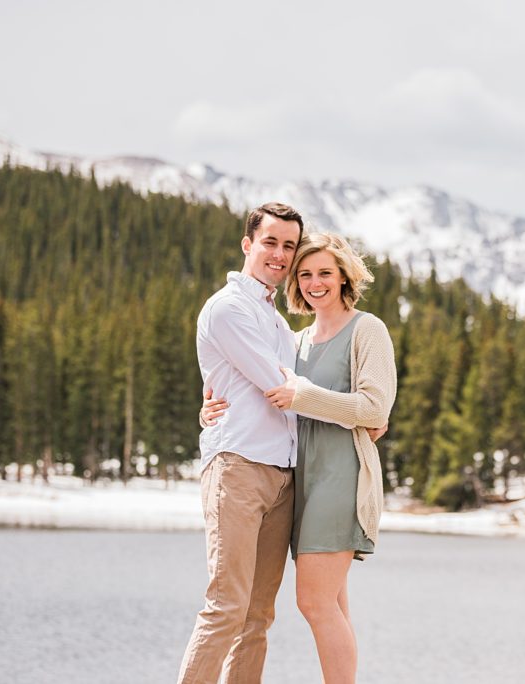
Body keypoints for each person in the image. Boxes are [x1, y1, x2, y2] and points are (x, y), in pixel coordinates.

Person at [202, 232, 397, 684]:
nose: (315, 282)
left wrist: (305, 396)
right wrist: (208, 405)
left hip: (340, 478)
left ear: (344, 276)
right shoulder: (297, 340)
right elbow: (254, 384)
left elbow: (374, 408)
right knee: (333, 603)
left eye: (325, 273)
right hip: (299, 481)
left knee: (313, 602)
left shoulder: (368, 329)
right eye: (305, 274)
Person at [177, 202, 303, 684]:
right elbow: (279, 385)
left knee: (258, 617)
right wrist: (351, 408)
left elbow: (294, 378)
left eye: (288, 245)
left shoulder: (275, 319)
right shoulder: (229, 308)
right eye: (270, 242)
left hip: (282, 478)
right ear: (248, 244)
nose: (279, 254)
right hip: (239, 469)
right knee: (226, 606)